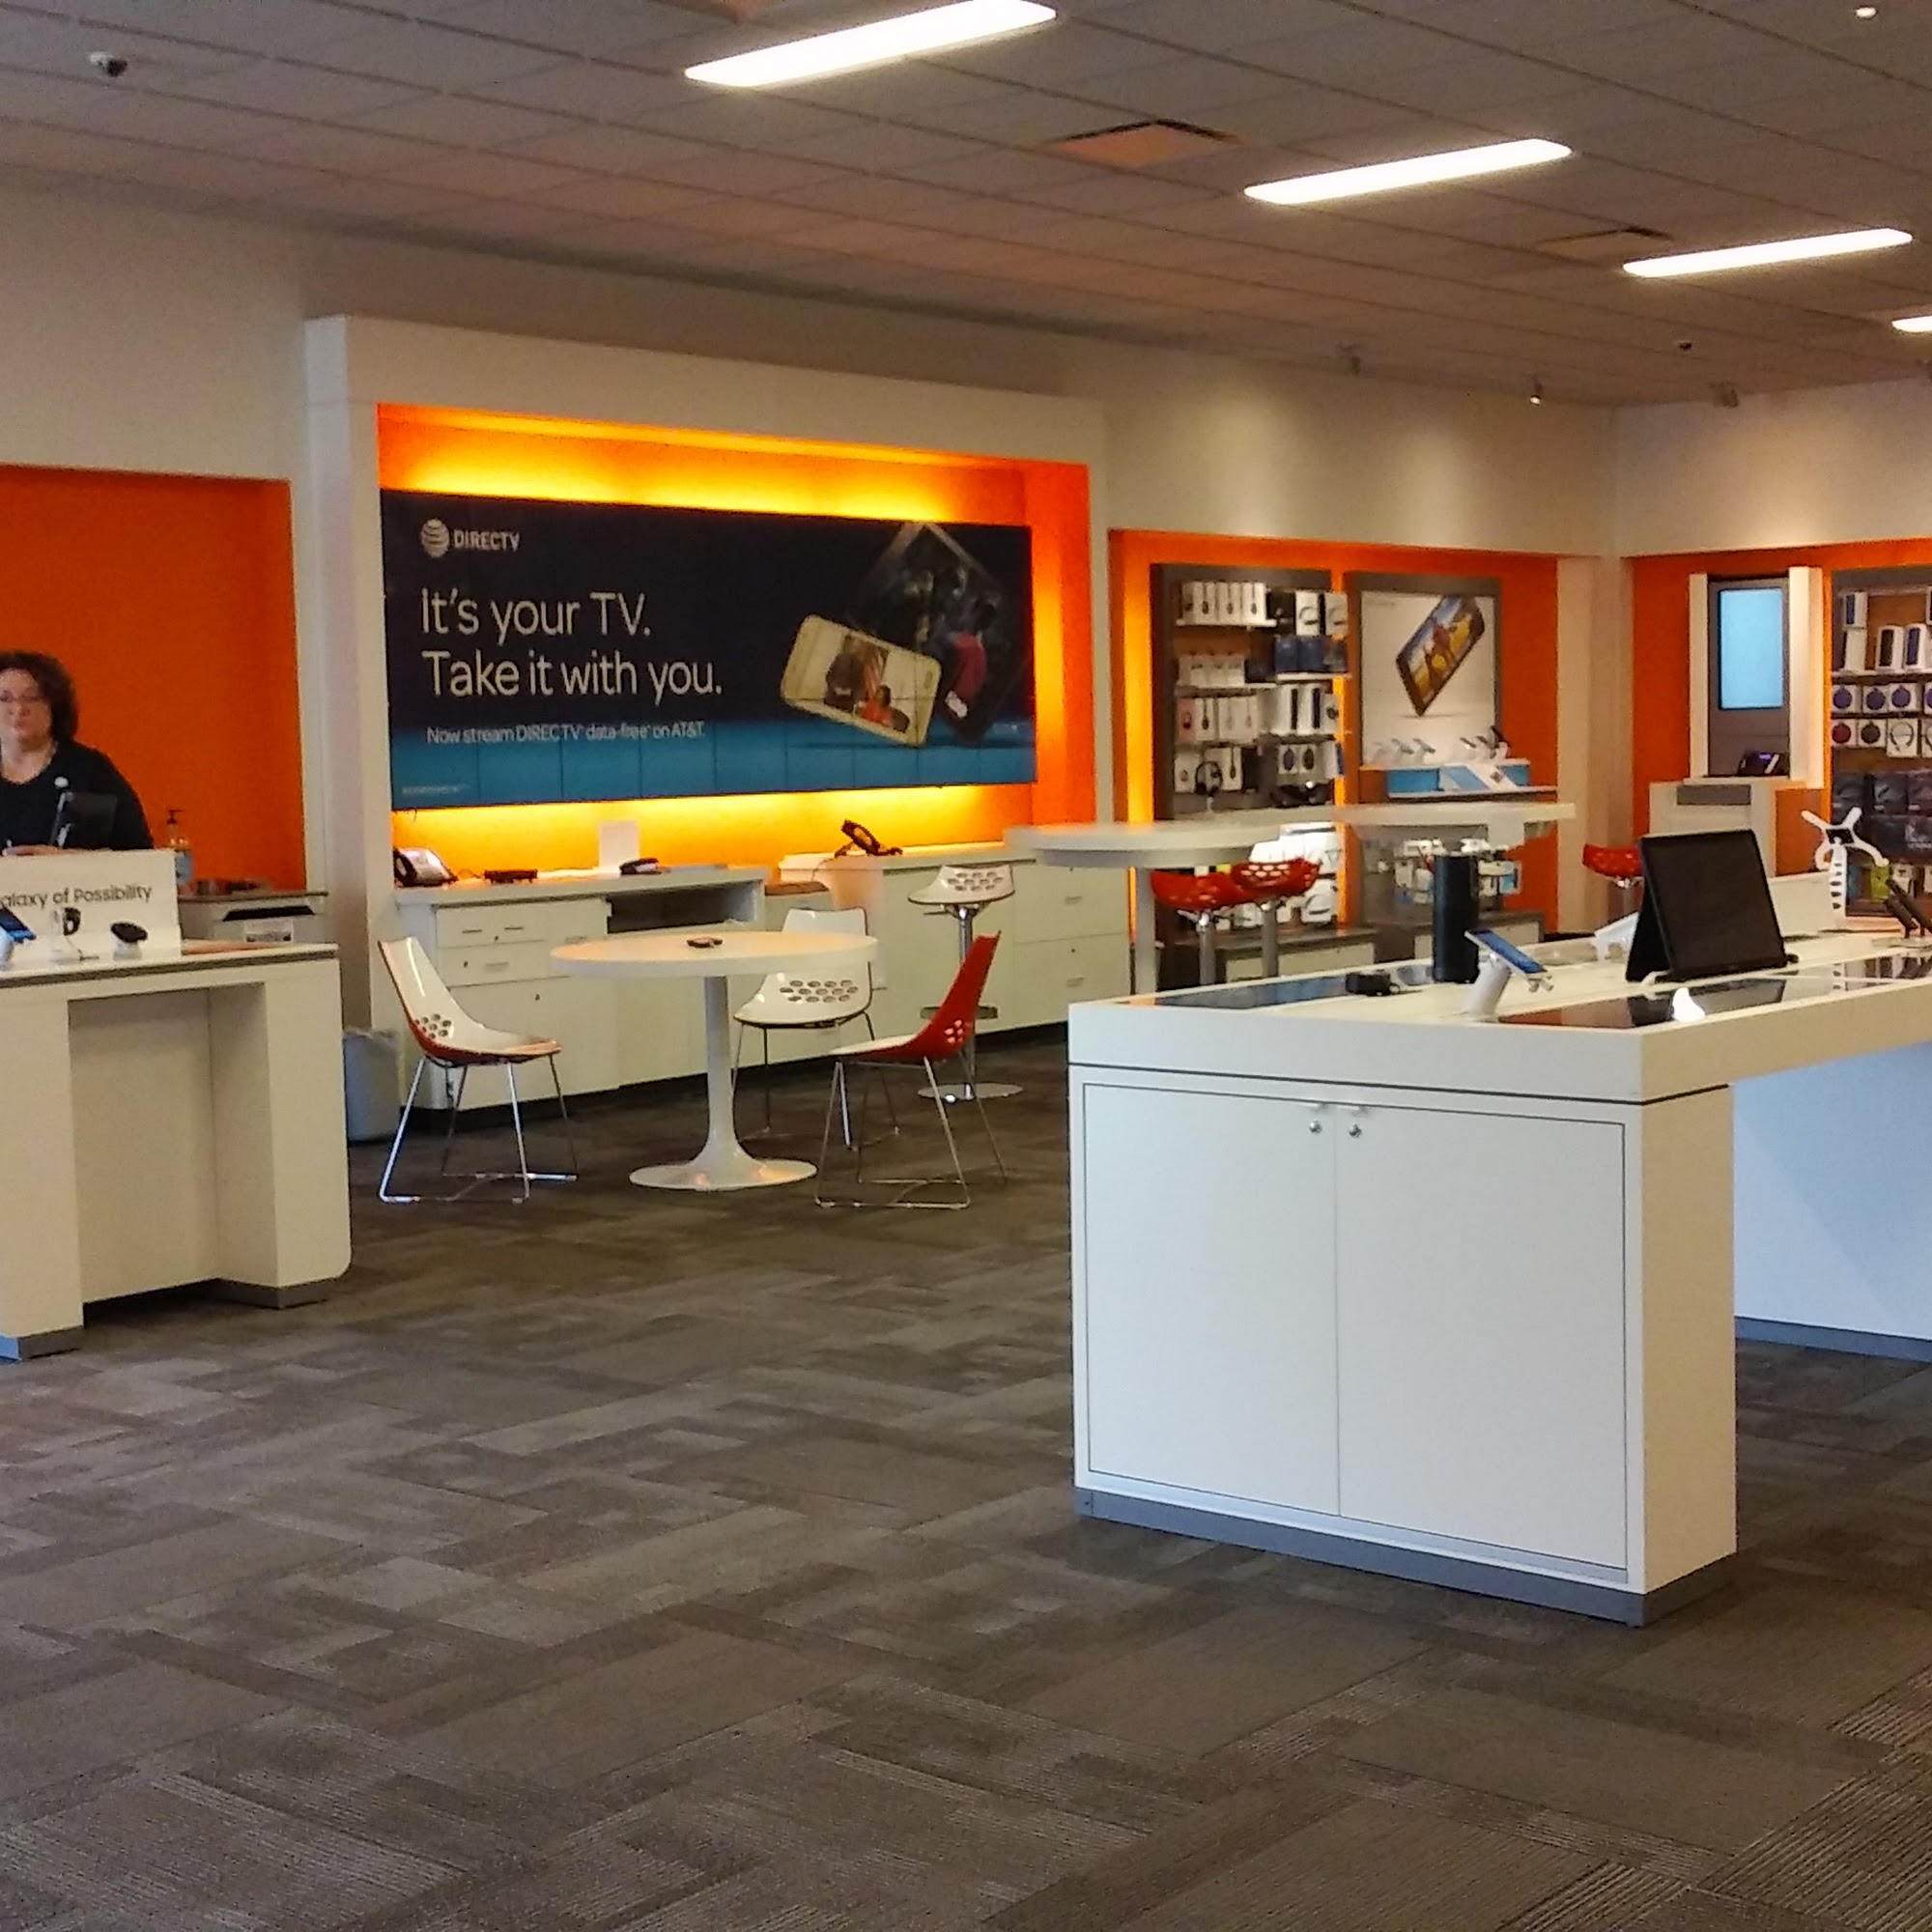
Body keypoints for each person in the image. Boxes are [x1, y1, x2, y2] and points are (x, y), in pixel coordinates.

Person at [0, 652, 152, 852]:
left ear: (54, 706)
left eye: (33, 698)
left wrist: (70, 860)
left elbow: (140, 853)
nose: (19, 708)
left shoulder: (90, 769)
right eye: (4, 698)